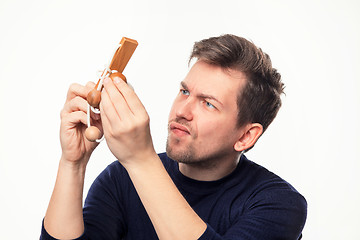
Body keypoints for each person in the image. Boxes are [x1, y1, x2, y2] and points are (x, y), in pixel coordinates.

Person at [40, 34, 307, 240]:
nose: (182, 111)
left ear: (246, 136)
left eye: (208, 104)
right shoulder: (120, 179)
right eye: (184, 91)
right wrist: (72, 164)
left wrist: (141, 159)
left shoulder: (279, 204)